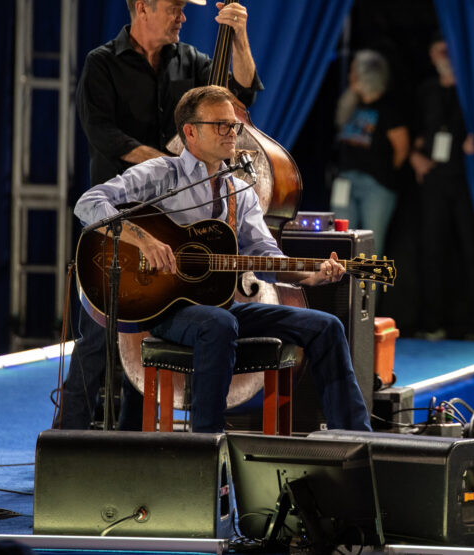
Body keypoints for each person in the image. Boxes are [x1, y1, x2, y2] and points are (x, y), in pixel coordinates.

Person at [74, 85, 371, 434]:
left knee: (326, 327)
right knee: (219, 323)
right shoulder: (161, 175)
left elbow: (265, 257)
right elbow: (89, 203)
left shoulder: (238, 191)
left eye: (234, 126)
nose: (233, 134)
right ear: (190, 131)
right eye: (222, 125)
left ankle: (353, 440)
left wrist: (310, 275)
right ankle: (207, 443)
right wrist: (144, 240)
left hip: (221, 309)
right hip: (166, 311)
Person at [58, 0, 263, 430]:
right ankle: (65, 441)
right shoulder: (102, 64)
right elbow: (103, 133)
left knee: (148, 343)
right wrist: (166, 166)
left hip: (173, 228)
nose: (183, 17)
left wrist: (241, 39)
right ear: (142, 7)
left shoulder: (191, 61)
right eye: (175, 7)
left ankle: (133, 440)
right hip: (118, 220)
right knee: (97, 338)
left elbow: (241, 98)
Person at [409, 34, 474, 339]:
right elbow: (416, 134)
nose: (443, 54)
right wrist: (415, 158)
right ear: (431, 56)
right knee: (431, 248)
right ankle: (433, 324)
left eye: (448, 48)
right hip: (434, 178)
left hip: (466, 178)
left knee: (472, 249)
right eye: (438, 49)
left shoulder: (471, 91)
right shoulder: (426, 91)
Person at [331, 49, 410, 257]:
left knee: (370, 248)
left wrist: (383, 173)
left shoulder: (388, 108)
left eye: (355, 72)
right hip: (346, 179)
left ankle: (368, 290)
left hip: (375, 184)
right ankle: (341, 288)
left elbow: (401, 149)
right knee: (340, 242)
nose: (350, 77)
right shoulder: (351, 104)